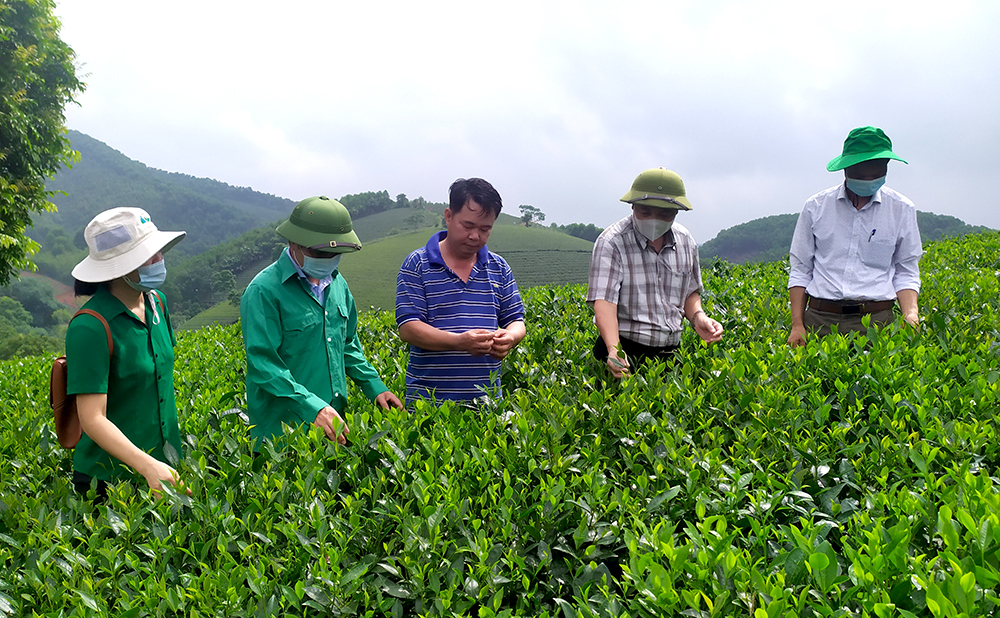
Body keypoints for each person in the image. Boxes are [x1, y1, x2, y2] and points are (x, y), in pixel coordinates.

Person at [241, 196, 402, 448]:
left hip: (335, 429)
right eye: (319, 252)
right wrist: (313, 408)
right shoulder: (264, 291)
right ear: (293, 242)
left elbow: (347, 345)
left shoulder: (338, 285)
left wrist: (375, 387)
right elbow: (264, 365)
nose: (327, 258)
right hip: (282, 436)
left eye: (335, 252)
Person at [66, 207, 187, 498]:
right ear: (119, 266)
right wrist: (146, 466)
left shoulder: (157, 302)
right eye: (149, 256)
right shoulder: (90, 326)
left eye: (158, 251)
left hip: (166, 468)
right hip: (110, 481)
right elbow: (93, 418)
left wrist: (163, 463)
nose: (159, 260)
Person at [787, 126, 922, 346]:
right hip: (821, 319)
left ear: (885, 168)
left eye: (876, 174)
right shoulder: (816, 207)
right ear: (846, 169)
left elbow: (906, 269)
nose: (868, 180)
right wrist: (797, 324)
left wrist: (910, 313)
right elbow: (801, 268)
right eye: (860, 175)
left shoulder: (901, 209)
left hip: (878, 321)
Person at [395, 178, 526, 404]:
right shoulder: (418, 264)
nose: (475, 236)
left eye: (485, 229)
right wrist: (459, 342)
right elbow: (409, 328)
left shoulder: (499, 267)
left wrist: (511, 337)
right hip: (429, 406)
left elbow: (516, 320)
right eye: (468, 226)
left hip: (487, 405)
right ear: (448, 216)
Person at [587, 167, 723, 378]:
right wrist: (614, 349)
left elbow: (689, 293)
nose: (654, 219)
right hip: (625, 352)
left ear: (676, 212)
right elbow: (604, 302)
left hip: (670, 356)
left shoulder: (686, 241)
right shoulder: (612, 242)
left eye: (664, 214)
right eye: (645, 212)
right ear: (632, 206)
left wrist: (698, 317)